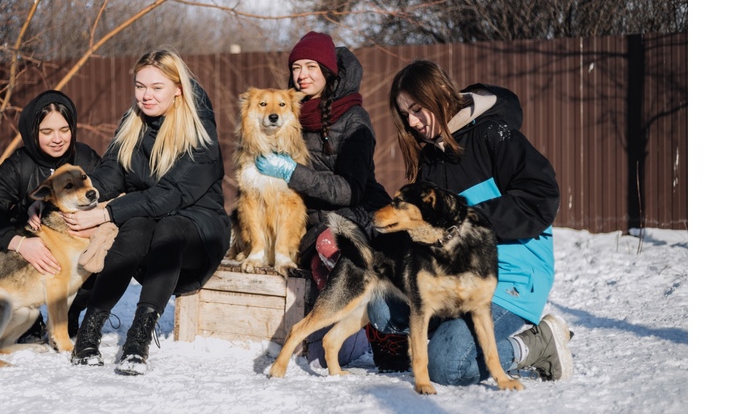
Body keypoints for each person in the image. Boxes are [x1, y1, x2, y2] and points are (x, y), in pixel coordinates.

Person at [372, 59, 571, 384]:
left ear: (440, 93)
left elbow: (540, 196)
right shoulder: (430, 161)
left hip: (511, 272)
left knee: (446, 366)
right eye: (406, 115)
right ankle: (451, 331)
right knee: (382, 306)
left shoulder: (493, 134)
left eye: (417, 109)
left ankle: (535, 345)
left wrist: (466, 223)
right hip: (453, 276)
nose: (413, 123)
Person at [60, 48, 230, 375]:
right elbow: (110, 174)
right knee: (136, 224)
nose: (145, 95)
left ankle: (138, 340)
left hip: (198, 233)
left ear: (178, 88)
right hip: (148, 225)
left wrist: (104, 215)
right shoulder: (134, 122)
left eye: (156, 87)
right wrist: (71, 200)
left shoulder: (199, 132)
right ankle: (89, 331)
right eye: (140, 86)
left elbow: (169, 195)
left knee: (168, 228)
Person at [254, 31, 391, 367]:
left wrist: (292, 172)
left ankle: (384, 329)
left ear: (328, 71)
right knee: (322, 350)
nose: (302, 75)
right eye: (296, 67)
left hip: (353, 216)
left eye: (311, 66)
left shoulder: (353, 118)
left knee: (331, 246)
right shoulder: (287, 111)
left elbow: (349, 190)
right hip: (308, 221)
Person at [0, 90, 101, 342]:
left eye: (64, 130)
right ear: (32, 132)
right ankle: (28, 319)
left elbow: (113, 193)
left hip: (78, 240)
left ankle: (71, 315)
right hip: (32, 244)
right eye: (47, 132)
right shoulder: (18, 165)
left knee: (106, 249)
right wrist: (20, 241)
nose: (57, 139)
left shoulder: (85, 158)